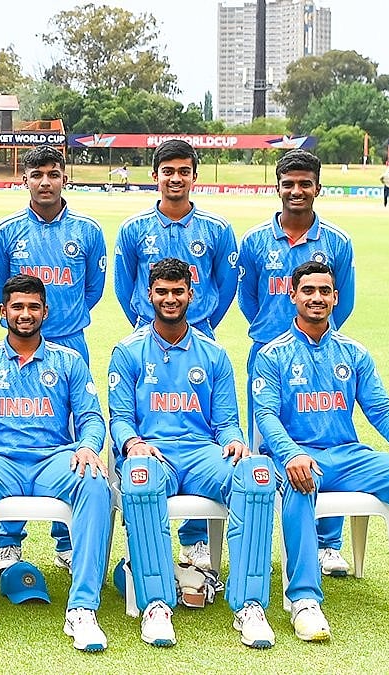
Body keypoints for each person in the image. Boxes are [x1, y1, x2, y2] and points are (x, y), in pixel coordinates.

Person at [252, 261, 389, 641]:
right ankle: (305, 600)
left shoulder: (353, 353)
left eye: (325, 291)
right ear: (293, 296)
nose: (317, 298)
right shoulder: (272, 354)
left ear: (336, 298)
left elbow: (381, 408)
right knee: (299, 480)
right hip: (300, 455)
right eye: (308, 290)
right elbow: (266, 416)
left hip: (348, 455)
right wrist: (290, 454)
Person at [110, 258, 276, 649]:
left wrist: (235, 441)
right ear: (148, 295)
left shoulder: (214, 354)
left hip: (202, 454)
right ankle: (156, 605)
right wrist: (134, 444)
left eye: (177, 291)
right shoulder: (128, 350)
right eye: (162, 292)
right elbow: (119, 418)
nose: (170, 299)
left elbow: (227, 421)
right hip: (153, 453)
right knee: (140, 477)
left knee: (255, 475)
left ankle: (249, 605)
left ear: (191, 294)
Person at [0, 273, 111, 652]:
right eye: (18, 307)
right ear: (3, 311)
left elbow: (91, 417)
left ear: (45, 311)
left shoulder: (68, 360)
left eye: (33, 307)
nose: (25, 314)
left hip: (53, 461)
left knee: (93, 481)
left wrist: (88, 446)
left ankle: (83, 608)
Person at [113, 139, 238, 567]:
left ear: (194, 176)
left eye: (184, 171)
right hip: (147, 341)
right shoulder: (134, 229)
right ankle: (145, 550)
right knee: (144, 427)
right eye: (168, 171)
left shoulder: (217, 230)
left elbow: (227, 289)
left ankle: (196, 539)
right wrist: (143, 327)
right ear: (155, 177)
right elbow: (119, 287)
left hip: (199, 335)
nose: (176, 178)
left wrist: (203, 325)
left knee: (204, 431)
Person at [237, 149, 355, 576]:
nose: (297, 191)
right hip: (268, 354)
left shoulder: (338, 241)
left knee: (330, 435)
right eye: (289, 183)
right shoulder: (254, 241)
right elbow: (248, 300)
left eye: (305, 183)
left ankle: (328, 544)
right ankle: (266, 531)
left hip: (321, 352)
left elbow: (347, 302)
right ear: (277, 187)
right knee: (267, 441)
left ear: (318, 188)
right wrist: (275, 335)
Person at [0, 144, 107, 572]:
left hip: (69, 343)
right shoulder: (5, 232)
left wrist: (62, 320)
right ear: (26, 179)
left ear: (64, 178)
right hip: (18, 347)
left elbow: (92, 289)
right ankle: (9, 541)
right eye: (36, 174)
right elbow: (7, 288)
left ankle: (66, 538)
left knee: (74, 436)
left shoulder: (88, 231)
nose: (45, 181)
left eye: (53, 174)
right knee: (15, 431)